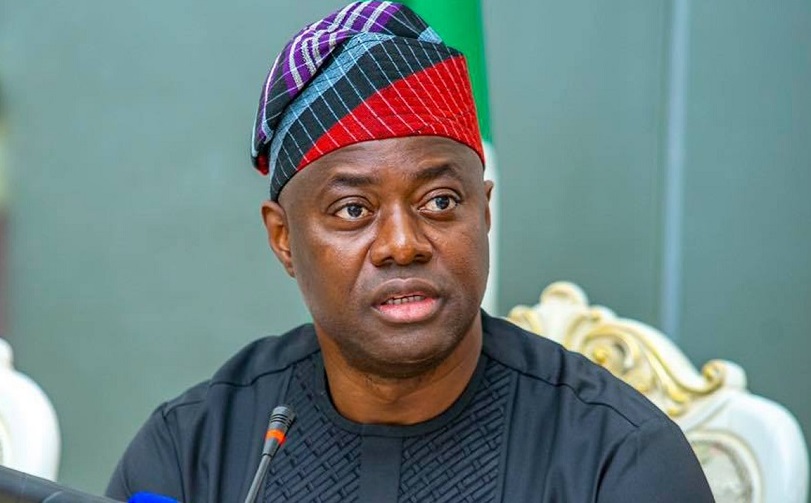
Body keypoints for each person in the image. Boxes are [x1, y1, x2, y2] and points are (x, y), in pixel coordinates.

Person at [106, 2, 713, 502]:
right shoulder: (193, 448)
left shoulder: (618, 458)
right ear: (283, 239)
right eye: (353, 210)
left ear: (485, 212)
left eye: (440, 201)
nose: (402, 245)